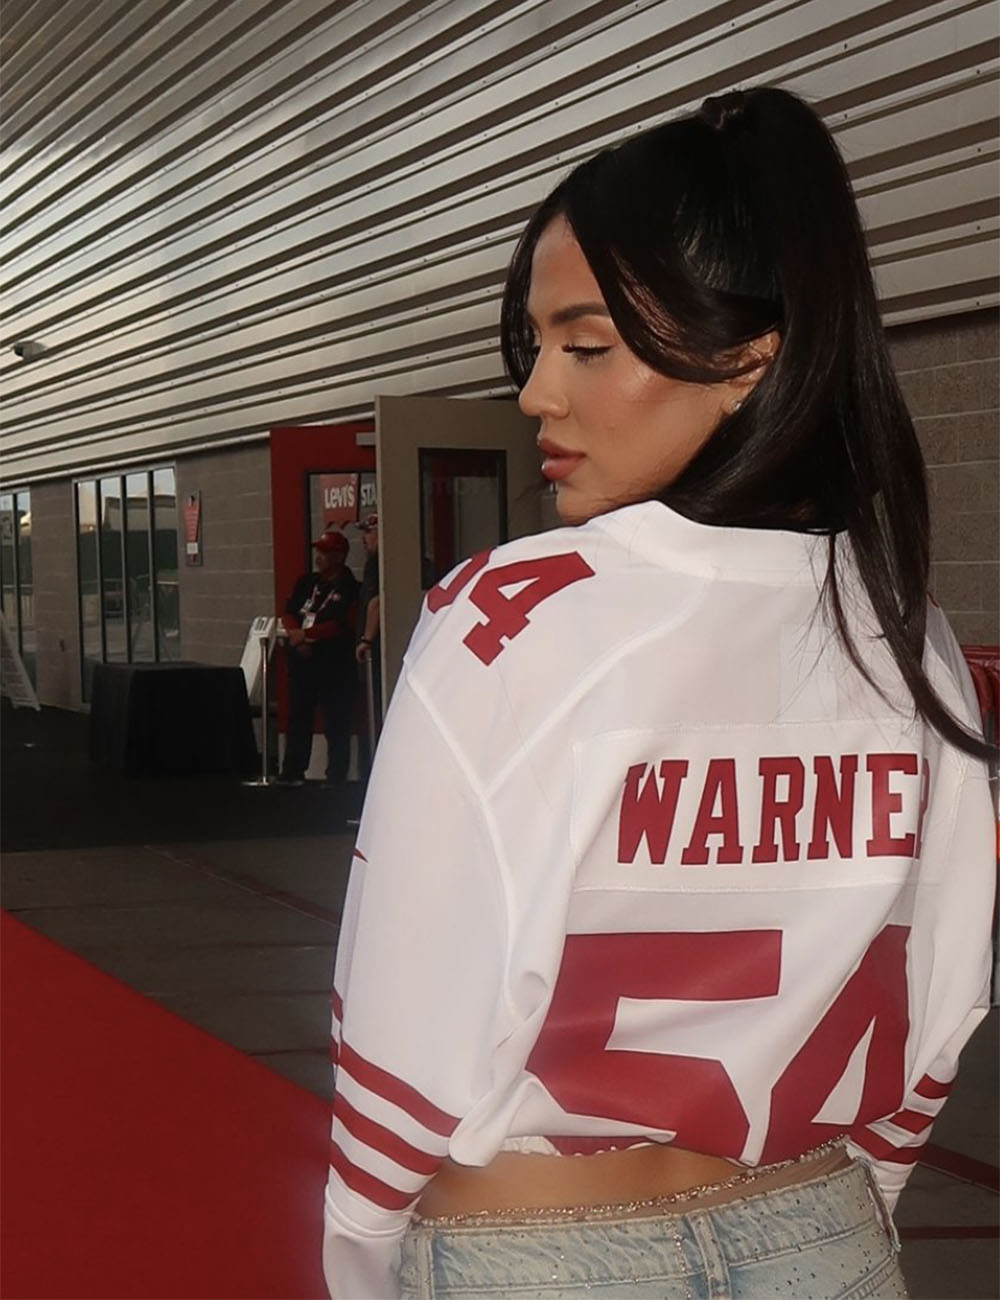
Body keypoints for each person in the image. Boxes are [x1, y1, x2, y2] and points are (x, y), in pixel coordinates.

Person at [322, 88, 996, 1300]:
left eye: (586, 346)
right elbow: (942, 996)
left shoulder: (507, 614)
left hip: (536, 1252)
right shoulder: (904, 630)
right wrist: (852, 1214)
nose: (537, 394)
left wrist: (367, 1257)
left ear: (746, 356)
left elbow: (405, 1023)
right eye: (536, 349)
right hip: (821, 1233)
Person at [278, 529, 358, 786]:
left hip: (334, 664)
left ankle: (336, 775)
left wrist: (308, 634)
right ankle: (292, 771)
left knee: (336, 720)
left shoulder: (349, 587)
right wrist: (296, 635)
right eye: (318, 552)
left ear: (339, 556)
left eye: (325, 553)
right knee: (299, 717)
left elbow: (341, 624)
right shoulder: (306, 582)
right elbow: (289, 611)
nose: (319, 557)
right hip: (303, 662)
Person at [354, 514, 382, 749]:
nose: (365, 539)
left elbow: (376, 602)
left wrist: (366, 639)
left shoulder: (377, 563)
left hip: (379, 648)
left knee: (378, 703)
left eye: (369, 533)